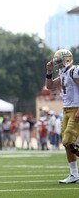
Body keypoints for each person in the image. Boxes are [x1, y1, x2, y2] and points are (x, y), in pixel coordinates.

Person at [45, 49, 79, 183]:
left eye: (59, 61)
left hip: (76, 108)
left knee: (68, 140)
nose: (58, 64)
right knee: (66, 144)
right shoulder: (63, 72)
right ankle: (74, 174)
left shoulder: (74, 71)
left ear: (67, 59)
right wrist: (49, 71)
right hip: (66, 110)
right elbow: (50, 86)